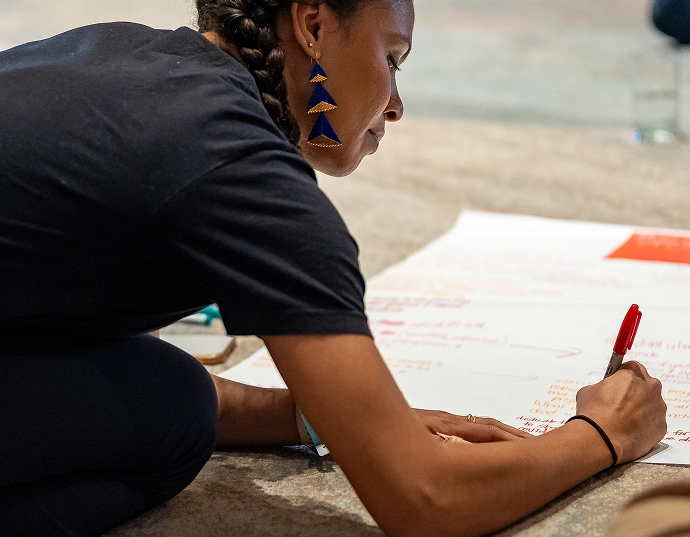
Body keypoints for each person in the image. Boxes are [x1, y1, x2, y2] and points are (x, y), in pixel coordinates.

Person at [0, 1, 668, 536]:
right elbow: (425, 501)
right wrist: (602, 435)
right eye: (392, 57)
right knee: (171, 420)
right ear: (314, 24)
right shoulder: (240, 168)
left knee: (171, 391)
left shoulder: (133, 58)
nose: (397, 104)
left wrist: (328, 416)